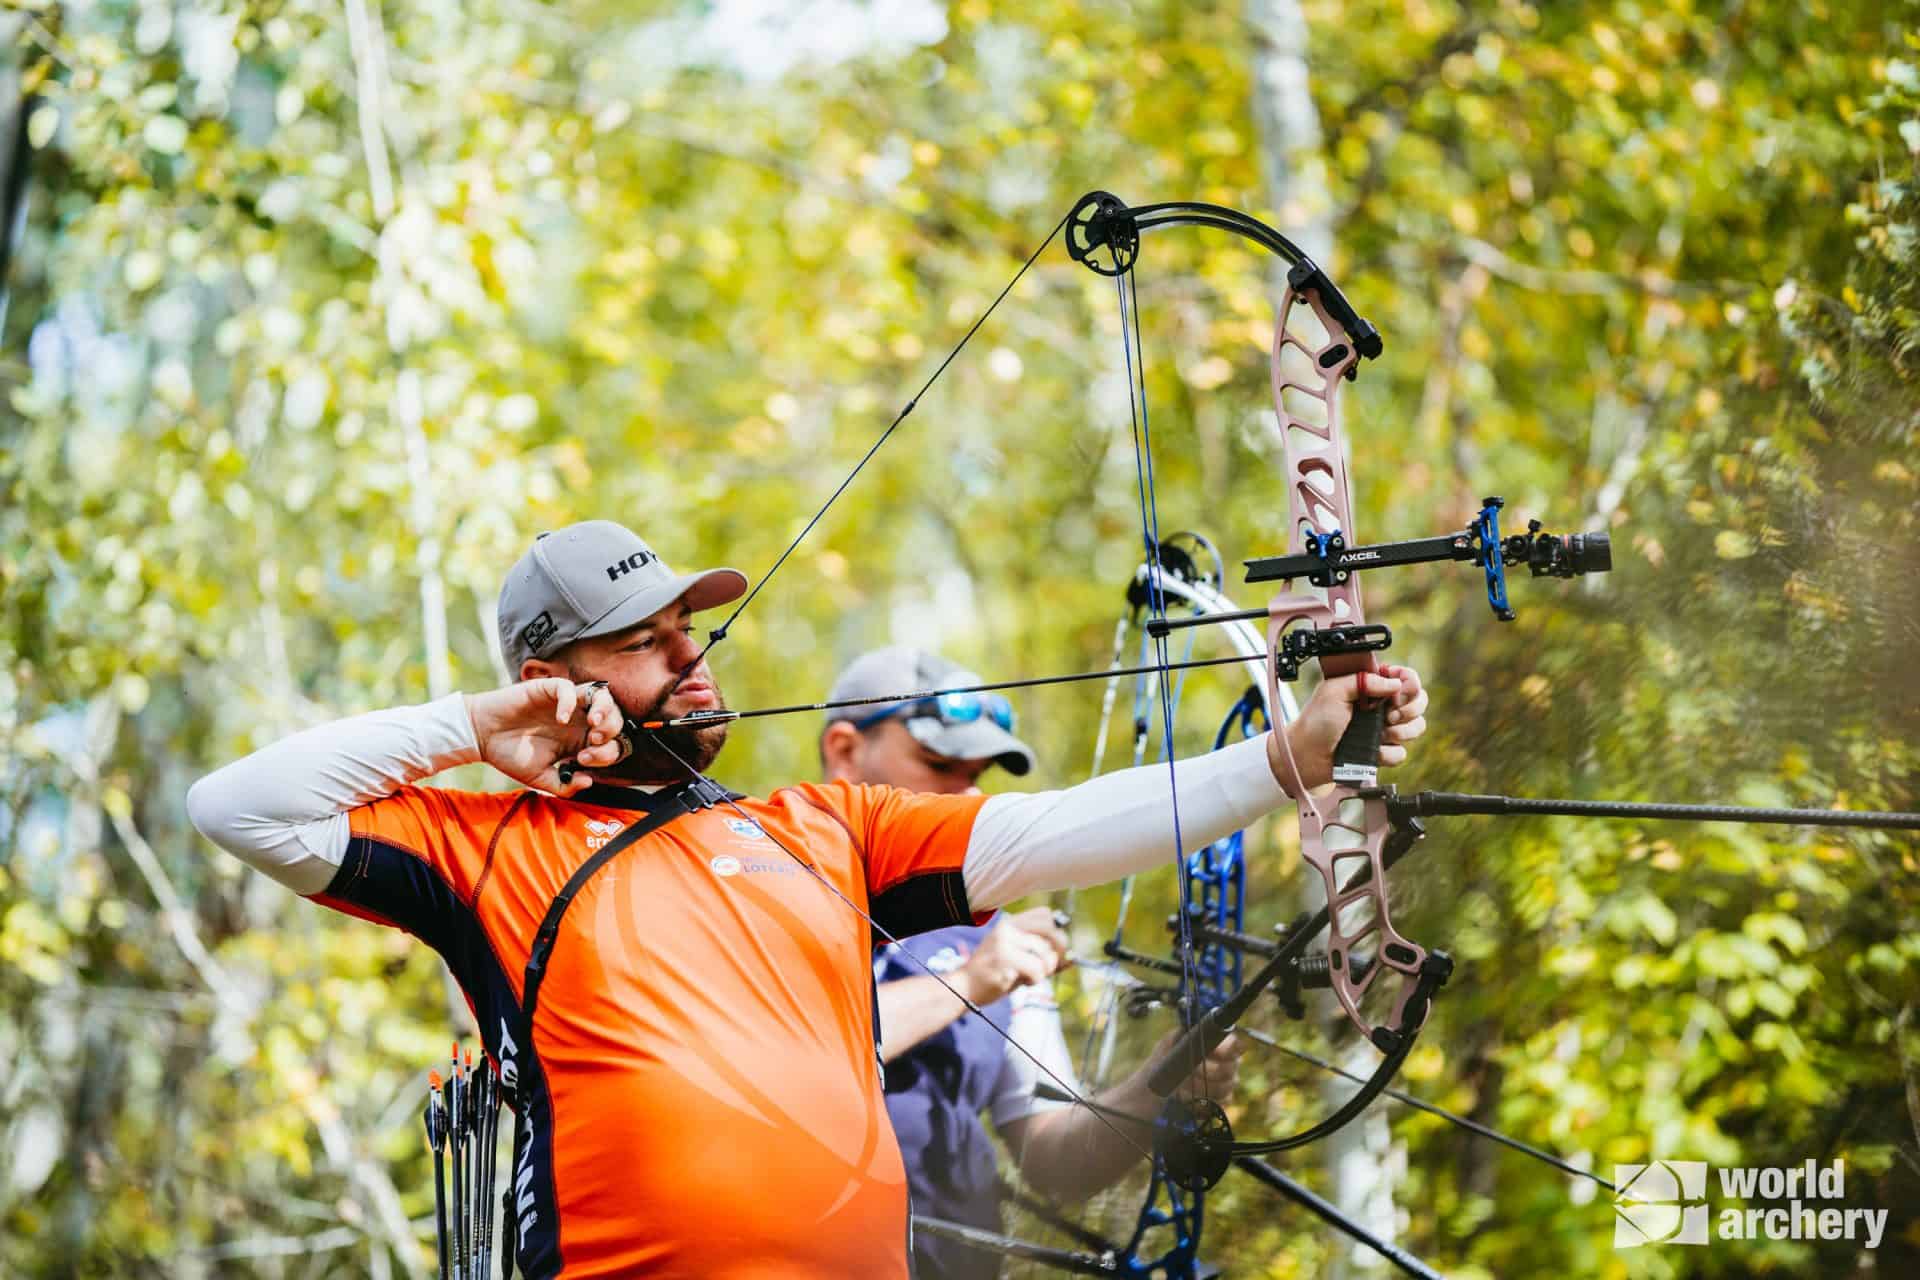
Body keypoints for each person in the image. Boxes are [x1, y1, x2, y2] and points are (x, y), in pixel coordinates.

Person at [186, 520, 1429, 1280]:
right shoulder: (484, 848)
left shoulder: (823, 826)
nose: (692, 657)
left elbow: (1055, 826)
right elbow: (238, 805)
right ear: (552, 678)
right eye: (646, 638)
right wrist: (472, 728)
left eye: (693, 628)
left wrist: (1289, 758)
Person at [822, 647, 1244, 1280]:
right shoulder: (758, 891)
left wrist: (1159, 1083)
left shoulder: (992, 939)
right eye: (939, 766)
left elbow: (1058, 1164)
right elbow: (783, 1050)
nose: (968, 797)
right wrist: (966, 984)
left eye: (978, 774)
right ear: (847, 752)